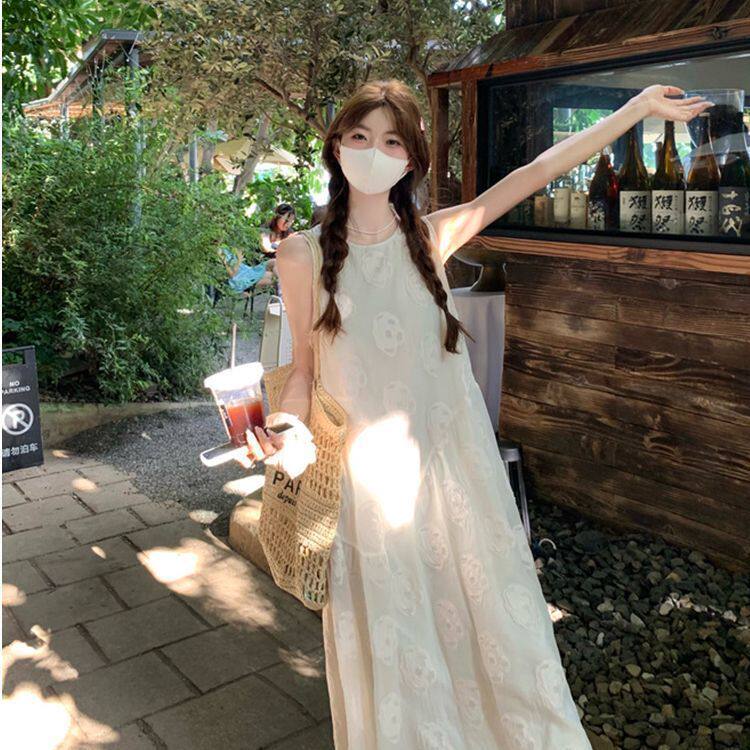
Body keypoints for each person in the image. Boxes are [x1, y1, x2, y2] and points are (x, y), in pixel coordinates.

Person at [240, 79, 711, 748]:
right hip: (367, 499)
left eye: (392, 141)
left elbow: (535, 172)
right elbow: (304, 372)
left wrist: (634, 111)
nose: (374, 152)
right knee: (400, 664)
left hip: (460, 485)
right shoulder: (302, 254)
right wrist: (289, 431)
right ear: (336, 146)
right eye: (360, 137)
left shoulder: (432, 236)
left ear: (412, 158)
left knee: (502, 649)